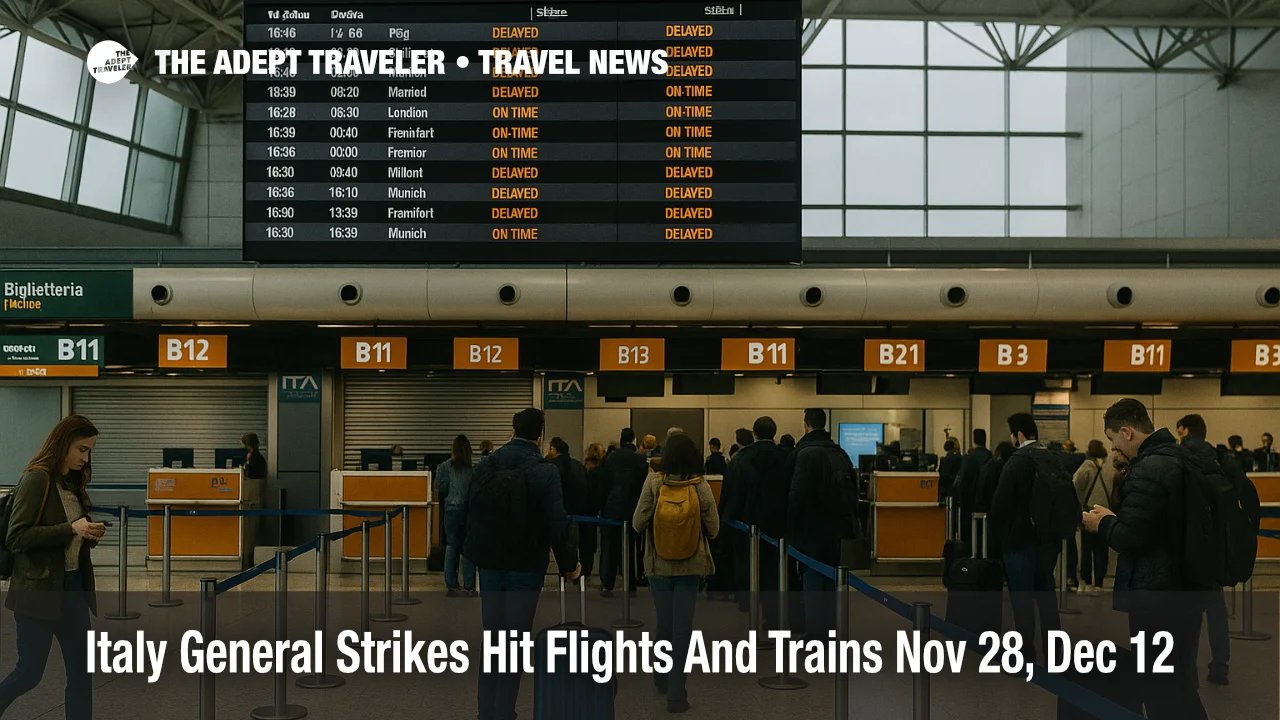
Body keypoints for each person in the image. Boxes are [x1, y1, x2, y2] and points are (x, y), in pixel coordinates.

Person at [1082, 399, 1208, 720]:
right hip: (1188, 589)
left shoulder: (1147, 469)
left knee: (1157, 687)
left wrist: (1104, 523)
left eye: (1113, 439)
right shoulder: (1183, 458)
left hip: (1156, 598)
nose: (1113, 446)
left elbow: (1131, 539)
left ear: (1126, 432)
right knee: (1181, 683)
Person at [459, 408, 579, 720]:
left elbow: (470, 510)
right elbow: (557, 522)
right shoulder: (545, 472)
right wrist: (569, 563)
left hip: (490, 566)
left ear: (512, 430)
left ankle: (485, 712)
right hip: (526, 567)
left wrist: (468, 554)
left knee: (494, 639)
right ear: (540, 435)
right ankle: (505, 711)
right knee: (515, 640)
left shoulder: (487, 465)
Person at [0, 415, 107, 720]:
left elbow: (72, 533)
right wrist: (70, 529)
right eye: (81, 449)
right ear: (63, 444)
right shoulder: (37, 479)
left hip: (73, 590)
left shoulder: (72, 483)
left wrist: (88, 534)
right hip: (39, 592)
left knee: (81, 673)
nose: (85, 458)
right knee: (29, 673)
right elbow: (17, 536)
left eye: (89, 451)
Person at [632, 433, 719, 714]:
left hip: (658, 564)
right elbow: (714, 528)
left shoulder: (654, 481)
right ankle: (676, 693)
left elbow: (637, 522)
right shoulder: (700, 484)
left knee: (664, 624)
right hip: (691, 566)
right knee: (682, 629)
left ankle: (660, 675)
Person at [1176, 413, 1249, 687]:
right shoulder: (1221, 459)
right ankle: (1220, 666)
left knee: (1187, 613)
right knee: (1216, 611)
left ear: (1185, 432)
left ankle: (1185, 669)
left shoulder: (1181, 459)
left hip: (1190, 548)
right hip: (1217, 549)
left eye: (1178, 431)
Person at [989, 413, 1061, 665]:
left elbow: (1000, 504)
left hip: (1019, 541)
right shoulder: (1052, 458)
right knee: (1047, 597)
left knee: (1022, 598)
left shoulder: (1017, 462)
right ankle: (1055, 655)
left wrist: (997, 538)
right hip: (1047, 541)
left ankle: (1025, 654)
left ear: (1018, 435)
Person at [787, 408, 855, 641]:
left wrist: (790, 525)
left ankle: (816, 631)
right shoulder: (840, 453)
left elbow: (796, 494)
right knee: (831, 577)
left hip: (810, 528)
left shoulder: (803, 454)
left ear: (806, 425)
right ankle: (831, 628)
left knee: (812, 577)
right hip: (835, 528)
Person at [727, 416, 789, 624]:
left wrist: (728, 519)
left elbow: (732, 493)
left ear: (754, 434)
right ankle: (773, 617)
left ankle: (751, 610)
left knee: (751, 568)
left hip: (748, 525)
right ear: (775, 432)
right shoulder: (786, 456)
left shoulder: (741, 458)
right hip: (779, 525)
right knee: (775, 571)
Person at [600, 428, 649, 597]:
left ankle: (607, 584)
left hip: (612, 507)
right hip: (633, 508)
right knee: (631, 548)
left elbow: (605, 483)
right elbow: (642, 487)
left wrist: (603, 506)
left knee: (609, 547)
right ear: (634, 440)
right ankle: (630, 584)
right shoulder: (641, 459)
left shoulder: (612, 457)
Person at [1072, 440, 1116, 596]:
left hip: (1088, 512)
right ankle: (1099, 583)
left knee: (1086, 549)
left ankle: (1087, 582)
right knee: (1101, 550)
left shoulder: (1086, 467)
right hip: (1105, 512)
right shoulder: (1110, 467)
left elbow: (1075, 486)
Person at [436, 434, 476, 597]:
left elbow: (441, 487)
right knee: (467, 549)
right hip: (468, 511)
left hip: (451, 510)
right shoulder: (472, 470)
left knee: (452, 546)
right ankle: (469, 585)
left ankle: (451, 584)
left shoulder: (443, 467)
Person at [956, 429, 992, 545]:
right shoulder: (991, 457)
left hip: (969, 501)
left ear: (973, 440)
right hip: (987, 502)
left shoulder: (969, 458)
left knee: (970, 535)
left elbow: (962, 481)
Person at [580, 442, 608, 579]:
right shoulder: (602, 471)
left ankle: (582, 570)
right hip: (594, 511)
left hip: (583, 510)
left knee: (583, 543)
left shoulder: (584, 470)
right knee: (591, 544)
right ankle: (588, 569)